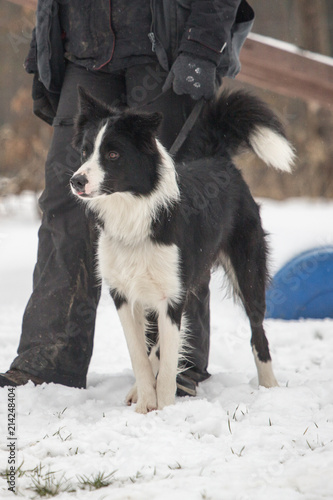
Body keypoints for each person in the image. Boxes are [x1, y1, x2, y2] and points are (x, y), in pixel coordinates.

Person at [0, 0, 254, 395]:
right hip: (83, 52)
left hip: (167, 50)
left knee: (176, 205)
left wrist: (203, 46)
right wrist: (43, 53)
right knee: (65, 204)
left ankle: (175, 366)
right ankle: (47, 360)